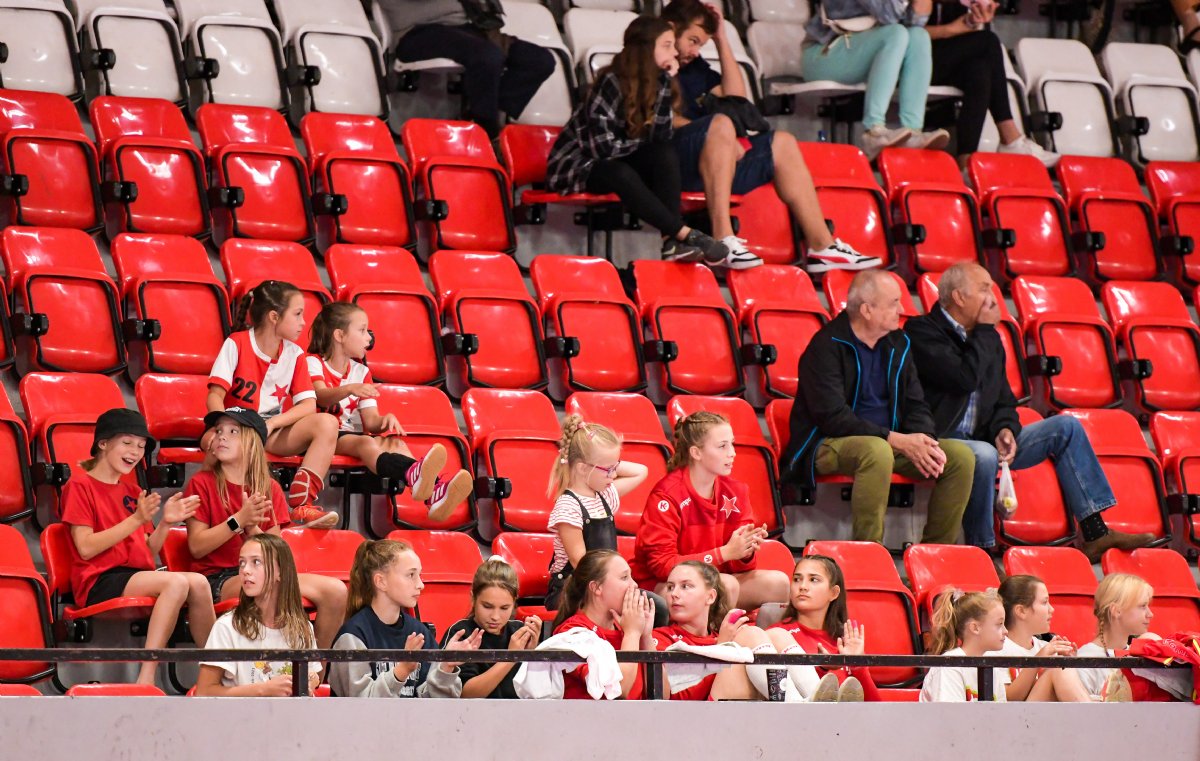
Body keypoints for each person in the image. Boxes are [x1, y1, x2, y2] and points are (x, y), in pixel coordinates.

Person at [904, 262, 1154, 561]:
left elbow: (1004, 401)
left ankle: (1095, 531)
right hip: (939, 440)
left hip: (983, 438)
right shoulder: (922, 331)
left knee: (1066, 428)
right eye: (984, 289)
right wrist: (985, 330)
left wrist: (1005, 429)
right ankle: (981, 552)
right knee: (983, 454)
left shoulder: (987, 339)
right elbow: (962, 379)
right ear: (958, 297)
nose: (992, 298)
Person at [659, 0, 879, 273]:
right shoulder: (648, 58)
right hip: (667, 166)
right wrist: (717, 134)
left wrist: (722, 40)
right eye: (692, 41)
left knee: (782, 142)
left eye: (701, 45)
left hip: (712, 162)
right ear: (671, 28)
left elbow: (736, 98)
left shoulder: (693, 66)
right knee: (721, 124)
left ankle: (822, 246)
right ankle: (723, 239)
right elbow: (651, 119)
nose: (694, 51)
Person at [781, 269, 974, 545]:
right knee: (876, 450)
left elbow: (915, 403)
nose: (902, 309)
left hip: (887, 441)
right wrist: (895, 439)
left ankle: (935, 552)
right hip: (825, 442)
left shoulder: (898, 343)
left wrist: (924, 440)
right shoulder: (825, 346)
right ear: (867, 310)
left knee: (959, 457)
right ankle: (869, 550)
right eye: (894, 303)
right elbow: (832, 418)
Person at [547, 16, 732, 266]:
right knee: (619, 171)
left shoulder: (659, 82)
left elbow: (661, 136)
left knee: (663, 152)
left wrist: (665, 83)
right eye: (666, 45)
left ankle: (671, 242)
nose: (674, 52)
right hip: (578, 166)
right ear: (646, 49)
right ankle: (683, 233)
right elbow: (601, 149)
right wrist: (641, 145)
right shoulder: (611, 81)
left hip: (617, 159)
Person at [61, 408, 215, 686]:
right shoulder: (79, 486)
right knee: (177, 583)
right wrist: (135, 520)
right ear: (103, 443)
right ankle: (146, 677)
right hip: (98, 580)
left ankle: (215, 673)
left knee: (200, 583)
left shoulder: (133, 492)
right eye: (128, 442)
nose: (135, 452)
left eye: (141, 446)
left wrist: (166, 523)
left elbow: (148, 551)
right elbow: (85, 548)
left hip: (133, 575)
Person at [184, 407, 347, 649]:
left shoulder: (269, 487)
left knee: (336, 591)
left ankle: (314, 668)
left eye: (233, 432)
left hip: (264, 571)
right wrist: (238, 521)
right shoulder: (201, 483)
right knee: (269, 585)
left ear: (252, 443)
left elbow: (276, 553)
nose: (222, 437)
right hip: (218, 578)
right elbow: (197, 547)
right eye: (218, 431)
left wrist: (253, 531)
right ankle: (273, 664)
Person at [306, 302, 472, 522]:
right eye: (362, 330)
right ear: (339, 335)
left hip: (345, 435)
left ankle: (434, 495)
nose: (369, 338)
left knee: (396, 444)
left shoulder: (361, 372)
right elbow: (320, 396)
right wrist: (349, 389)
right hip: (320, 436)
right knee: (365, 443)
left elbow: (371, 422)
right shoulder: (313, 362)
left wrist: (384, 420)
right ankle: (417, 476)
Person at [205, 279, 338, 528]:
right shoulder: (236, 343)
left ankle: (302, 505)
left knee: (328, 423)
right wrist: (220, 429)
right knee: (212, 442)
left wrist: (274, 423)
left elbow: (308, 405)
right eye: (297, 314)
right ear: (274, 317)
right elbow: (215, 395)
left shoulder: (295, 353)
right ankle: (211, 512)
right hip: (236, 428)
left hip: (269, 430)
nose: (303, 322)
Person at [632, 412, 788, 610]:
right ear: (696, 453)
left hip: (715, 580)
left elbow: (740, 567)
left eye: (732, 444)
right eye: (722, 446)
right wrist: (723, 553)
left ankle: (749, 629)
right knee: (726, 585)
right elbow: (662, 566)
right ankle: (719, 630)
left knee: (778, 583)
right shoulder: (667, 495)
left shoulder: (736, 491)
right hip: (663, 585)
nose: (732, 453)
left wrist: (744, 551)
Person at [653, 560, 860, 701]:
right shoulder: (660, 637)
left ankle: (813, 701)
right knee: (749, 635)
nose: (674, 594)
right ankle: (801, 706)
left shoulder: (722, 635)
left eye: (685, 586)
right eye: (670, 587)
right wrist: (721, 650)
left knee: (777, 635)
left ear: (710, 596)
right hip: (697, 718)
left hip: (747, 716)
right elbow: (675, 699)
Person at [330, 539, 482, 698]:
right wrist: (401, 671)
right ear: (381, 581)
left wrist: (445, 667)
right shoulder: (353, 636)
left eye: (419, 575)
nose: (420, 584)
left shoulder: (419, 632)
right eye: (411, 575)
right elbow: (359, 706)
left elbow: (434, 704)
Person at [382, 0, 555, 138]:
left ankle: (486, 116)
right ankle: (486, 130)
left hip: (470, 29)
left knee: (539, 60)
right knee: (487, 56)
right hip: (417, 32)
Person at [802, 0, 948, 159]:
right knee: (896, 33)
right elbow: (888, 16)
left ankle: (913, 131)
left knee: (919, 36)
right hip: (823, 55)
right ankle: (873, 131)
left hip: (860, 49)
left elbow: (914, 24)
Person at [545, 413, 655, 617]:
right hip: (574, 590)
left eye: (615, 468)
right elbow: (581, 563)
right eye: (608, 469)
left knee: (656, 608)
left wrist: (608, 461)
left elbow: (642, 471)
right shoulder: (568, 505)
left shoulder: (605, 495)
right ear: (582, 468)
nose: (614, 475)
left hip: (604, 585)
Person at [925, 0, 1058, 167]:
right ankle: (1010, 139)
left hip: (939, 60)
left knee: (979, 69)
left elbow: (957, 35)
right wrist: (949, 30)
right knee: (989, 41)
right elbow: (903, 30)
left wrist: (971, 20)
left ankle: (966, 162)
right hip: (909, 61)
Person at [196, 534, 321, 696]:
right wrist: (264, 689)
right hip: (243, 713)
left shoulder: (302, 627)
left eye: (256, 562)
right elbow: (204, 692)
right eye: (242, 563)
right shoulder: (227, 626)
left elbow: (313, 675)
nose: (245, 570)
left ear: (281, 572)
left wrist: (310, 681)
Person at [768, 555, 882, 701]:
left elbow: (875, 706)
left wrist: (858, 666)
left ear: (834, 593)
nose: (802, 586)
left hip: (850, 715)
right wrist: (822, 668)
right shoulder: (777, 635)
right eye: (797, 579)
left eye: (813, 580)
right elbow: (779, 694)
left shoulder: (847, 640)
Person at [551, 549, 653, 699]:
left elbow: (662, 694)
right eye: (624, 577)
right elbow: (618, 692)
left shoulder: (628, 629)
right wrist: (633, 634)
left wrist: (646, 636)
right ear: (596, 588)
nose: (635, 585)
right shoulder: (573, 632)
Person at [441, 557, 542, 699]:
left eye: (504, 608)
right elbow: (465, 694)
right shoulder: (461, 633)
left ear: (514, 603)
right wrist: (511, 657)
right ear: (473, 598)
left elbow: (538, 691)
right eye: (487, 606)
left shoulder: (519, 632)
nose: (495, 616)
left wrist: (531, 656)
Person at [993, 574, 1092, 702]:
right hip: (1015, 713)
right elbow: (1007, 700)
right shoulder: (997, 648)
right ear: (1021, 611)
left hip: (1046, 713)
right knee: (1058, 668)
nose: (1052, 609)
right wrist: (1038, 661)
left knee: (1061, 666)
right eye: (1045, 602)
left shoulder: (1044, 647)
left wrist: (1069, 663)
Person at [1075, 573, 1155, 701]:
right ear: (1116, 611)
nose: (1150, 614)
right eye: (1142, 606)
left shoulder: (1138, 654)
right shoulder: (1085, 661)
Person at [920, 588, 1010, 701]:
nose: (1006, 631)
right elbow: (949, 711)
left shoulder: (992, 668)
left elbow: (1001, 711)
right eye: (999, 624)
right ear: (975, 628)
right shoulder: (949, 666)